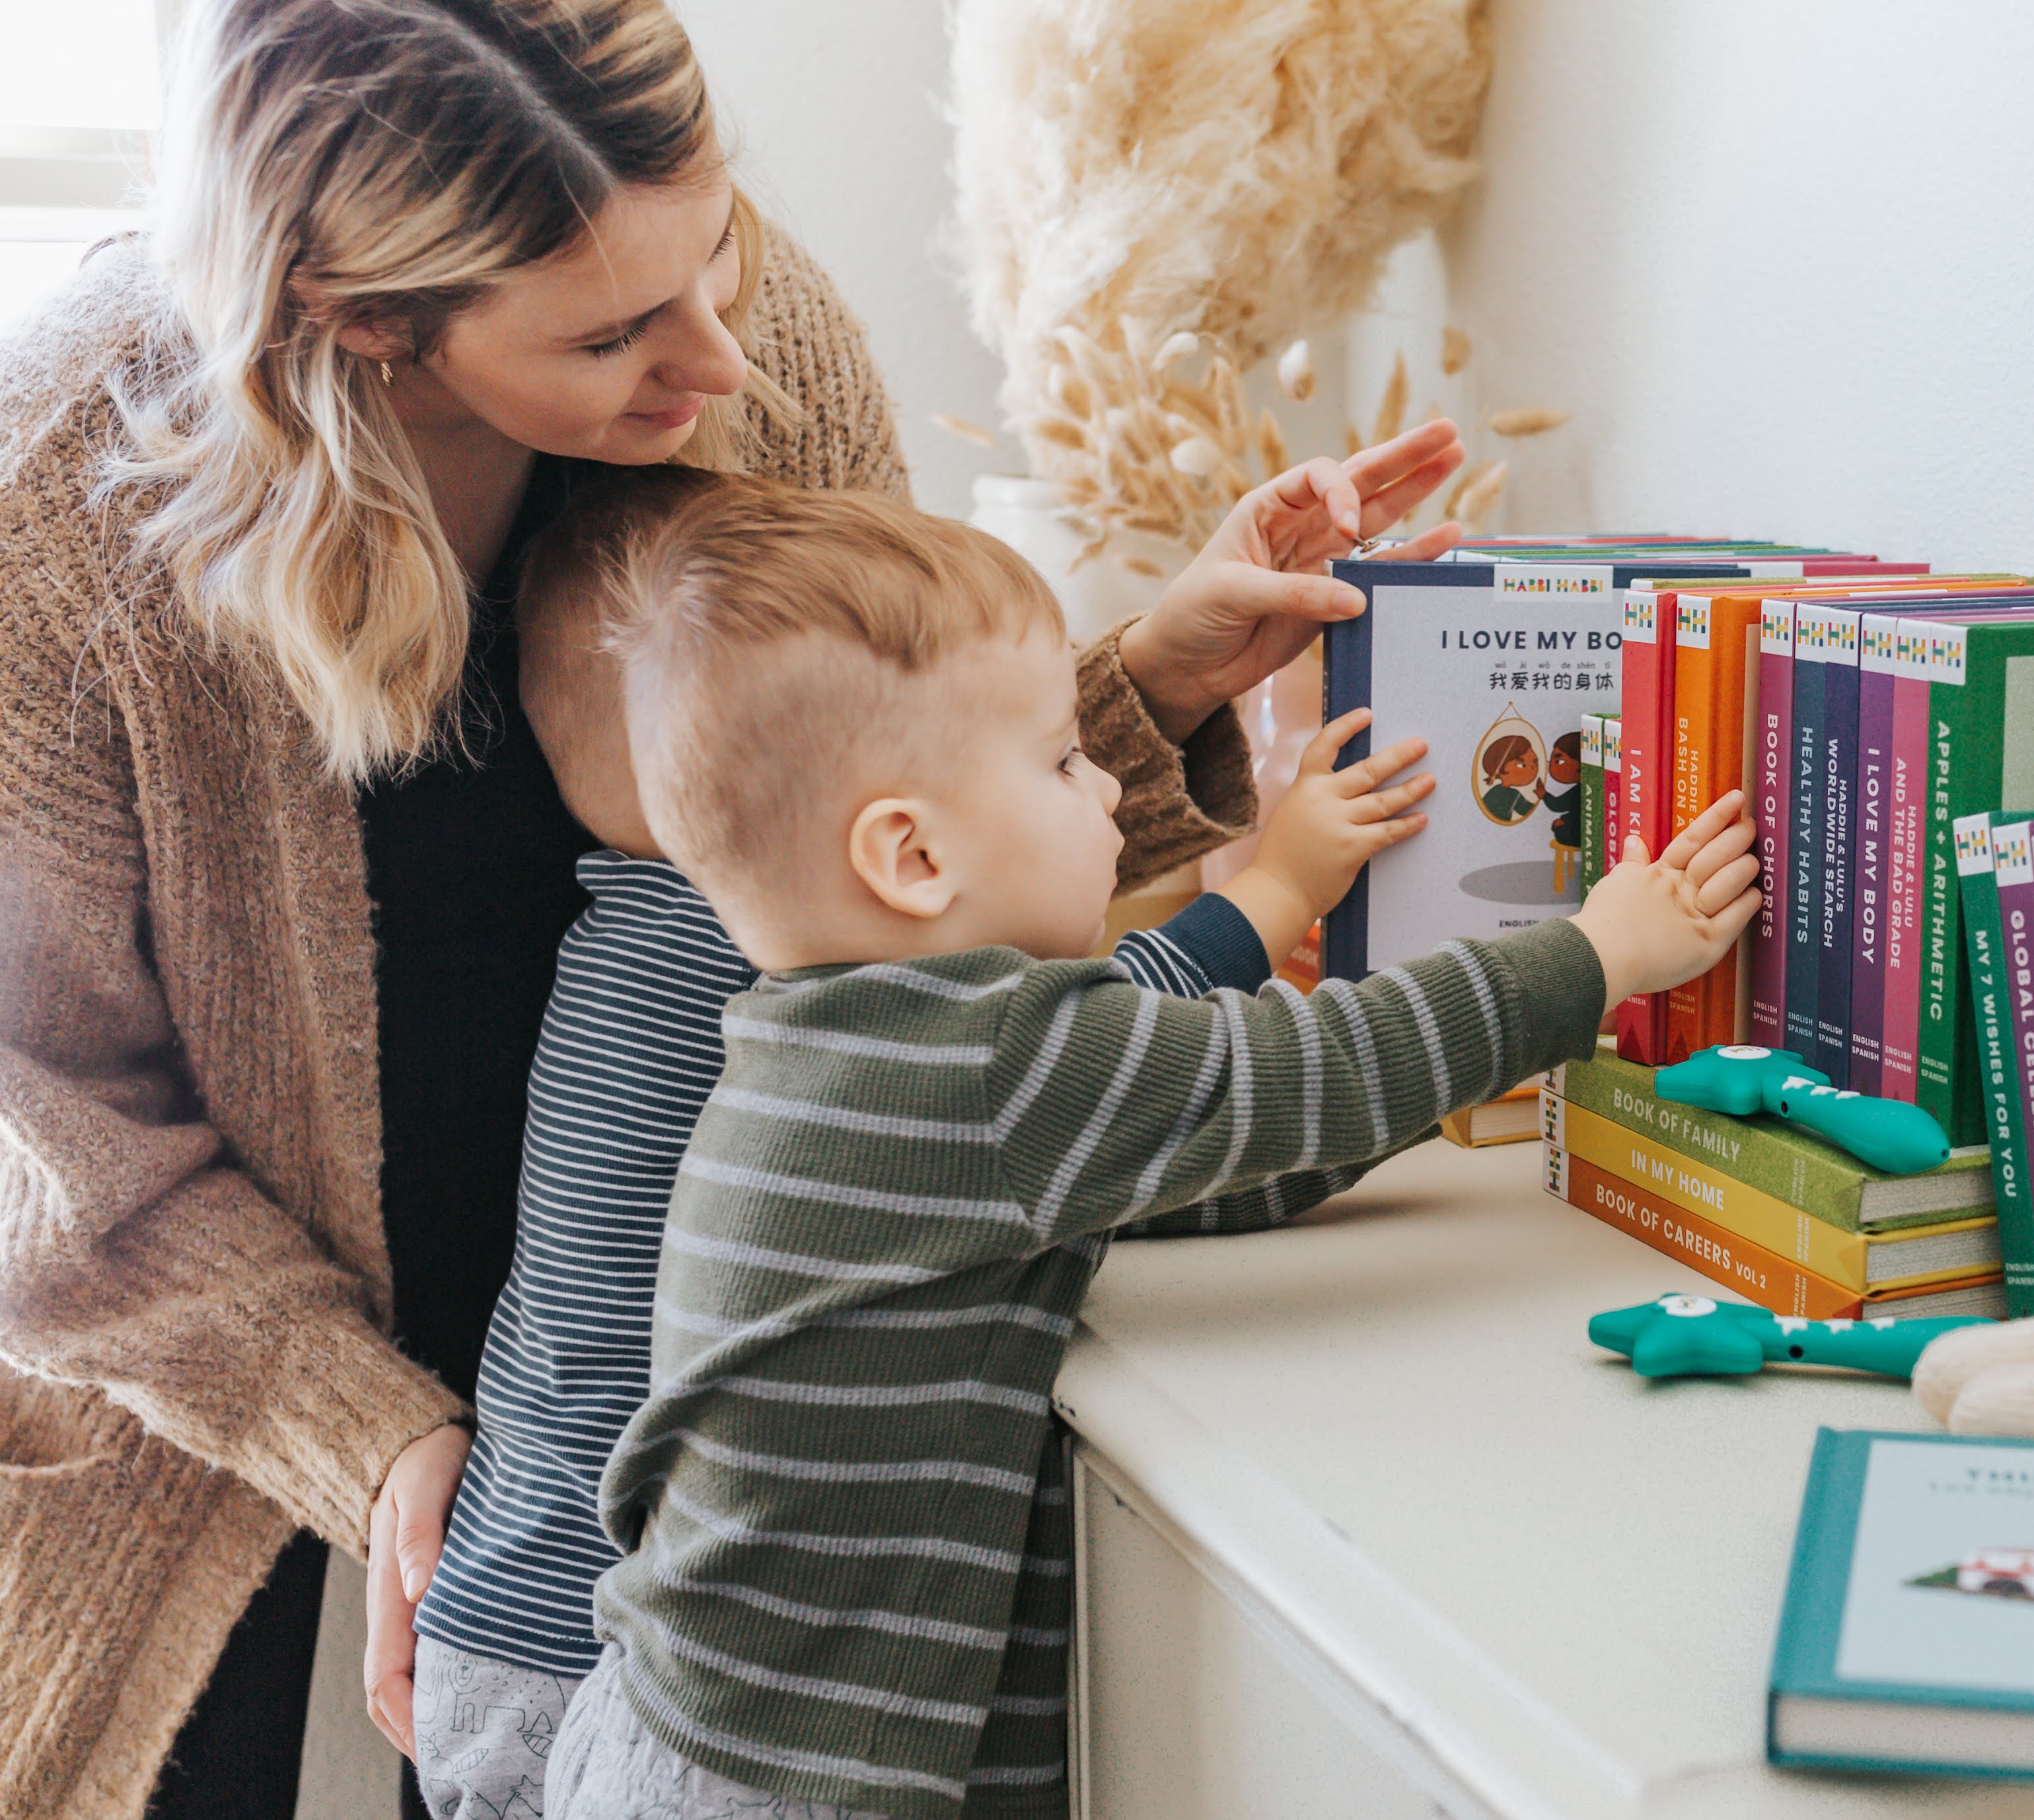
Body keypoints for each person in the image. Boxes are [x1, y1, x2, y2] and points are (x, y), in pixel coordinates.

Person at [0, 3, 1461, 1814]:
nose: (717, 356)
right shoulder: (56, 508)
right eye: (612, 332)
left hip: (664, 1403)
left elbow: (879, 846)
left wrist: (1146, 692)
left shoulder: (754, 347)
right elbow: (56, 1146)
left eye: (719, 248)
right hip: (216, 1402)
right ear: (364, 319)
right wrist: (370, 1438)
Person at [532, 478, 1751, 1817]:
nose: (1109, 776)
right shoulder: (983, 1069)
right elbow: (1309, 1078)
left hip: (675, 1725)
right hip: (788, 1784)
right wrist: (1597, 955)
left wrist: (1280, 891)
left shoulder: (834, 1042)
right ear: (912, 855)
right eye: (1062, 759)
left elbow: (1174, 1137)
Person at [405, 465, 1441, 1819]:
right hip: (599, 1651)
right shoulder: (759, 964)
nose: (1088, 787)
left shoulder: (636, 941)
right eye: (1062, 761)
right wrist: (1280, 887)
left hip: (505, 1605)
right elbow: (1098, 1053)